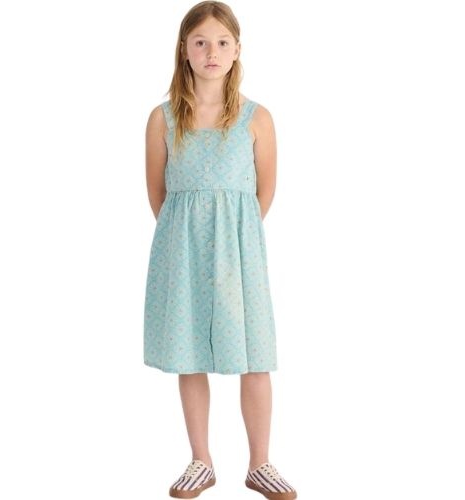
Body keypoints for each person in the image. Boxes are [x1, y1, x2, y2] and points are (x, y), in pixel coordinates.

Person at [143, 2, 297, 498]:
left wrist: (233, 239)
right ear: (184, 50)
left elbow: (263, 192)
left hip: (239, 254)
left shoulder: (257, 118)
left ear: (237, 51)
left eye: (222, 42)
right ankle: (201, 459)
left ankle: (260, 462)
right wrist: (188, 236)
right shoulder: (163, 119)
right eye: (201, 42)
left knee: (254, 354)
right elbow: (159, 193)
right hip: (182, 253)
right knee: (189, 353)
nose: (212, 52)